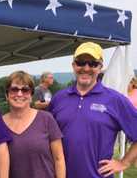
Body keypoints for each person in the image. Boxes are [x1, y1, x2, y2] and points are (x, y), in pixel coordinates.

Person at [48, 41, 137, 178]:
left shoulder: (115, 100)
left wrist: (124, 163)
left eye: (93, 64)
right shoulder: (59, 99)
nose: (86, 68)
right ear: (73, 65)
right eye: (81, 63)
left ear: (100, 67)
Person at [3, 71, 65, 178]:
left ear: (31, 95)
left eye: (25, 90)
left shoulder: (46, 119)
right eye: (14, 89)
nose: (19, 94)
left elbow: (59, 159)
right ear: (6, 95)